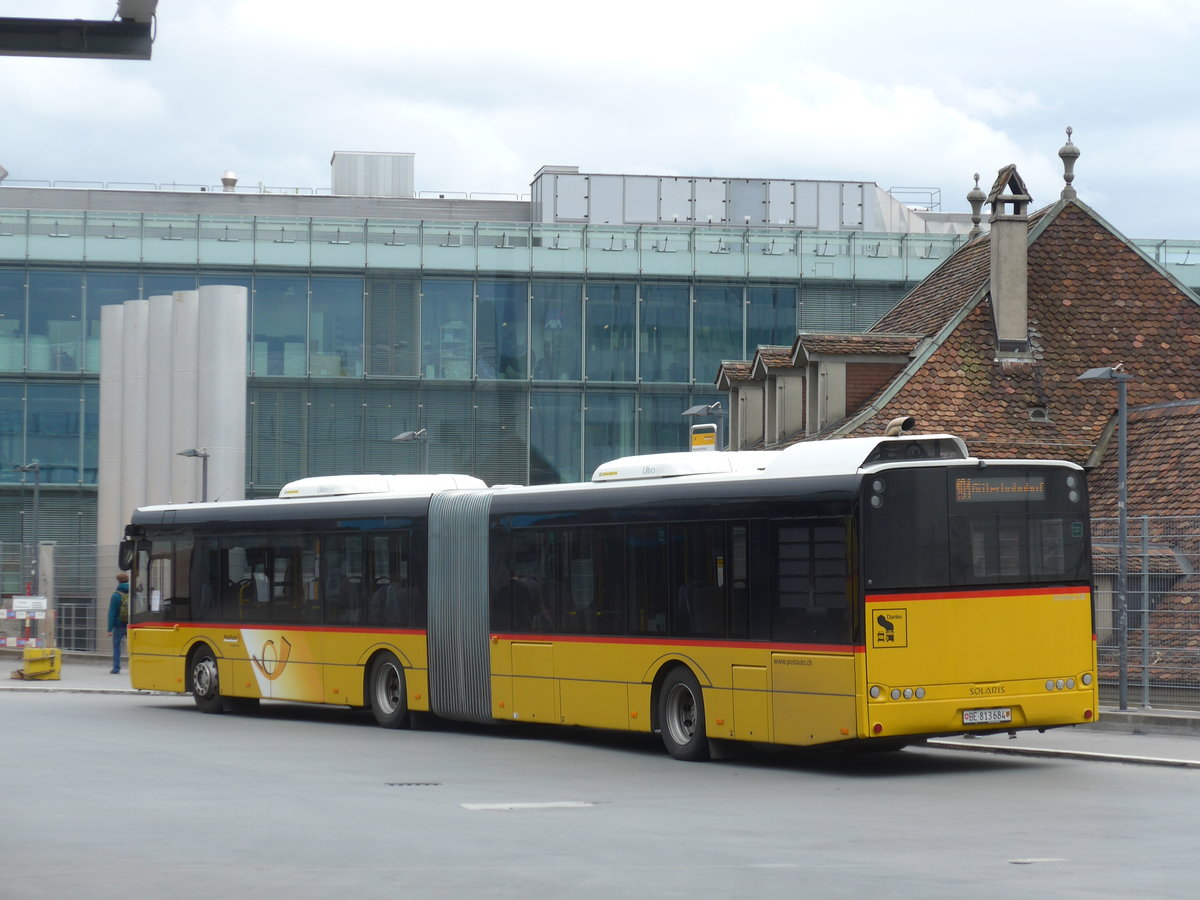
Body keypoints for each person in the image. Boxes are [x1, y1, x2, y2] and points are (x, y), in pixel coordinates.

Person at [107, 572, 129, 675]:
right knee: (133, 647)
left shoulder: (115, 596)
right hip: (131, 624)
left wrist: (109, 629)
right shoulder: (133, 593)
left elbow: (112, 612)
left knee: (117, 646)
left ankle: (116, 668)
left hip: (119, 625)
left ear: (118, 581)